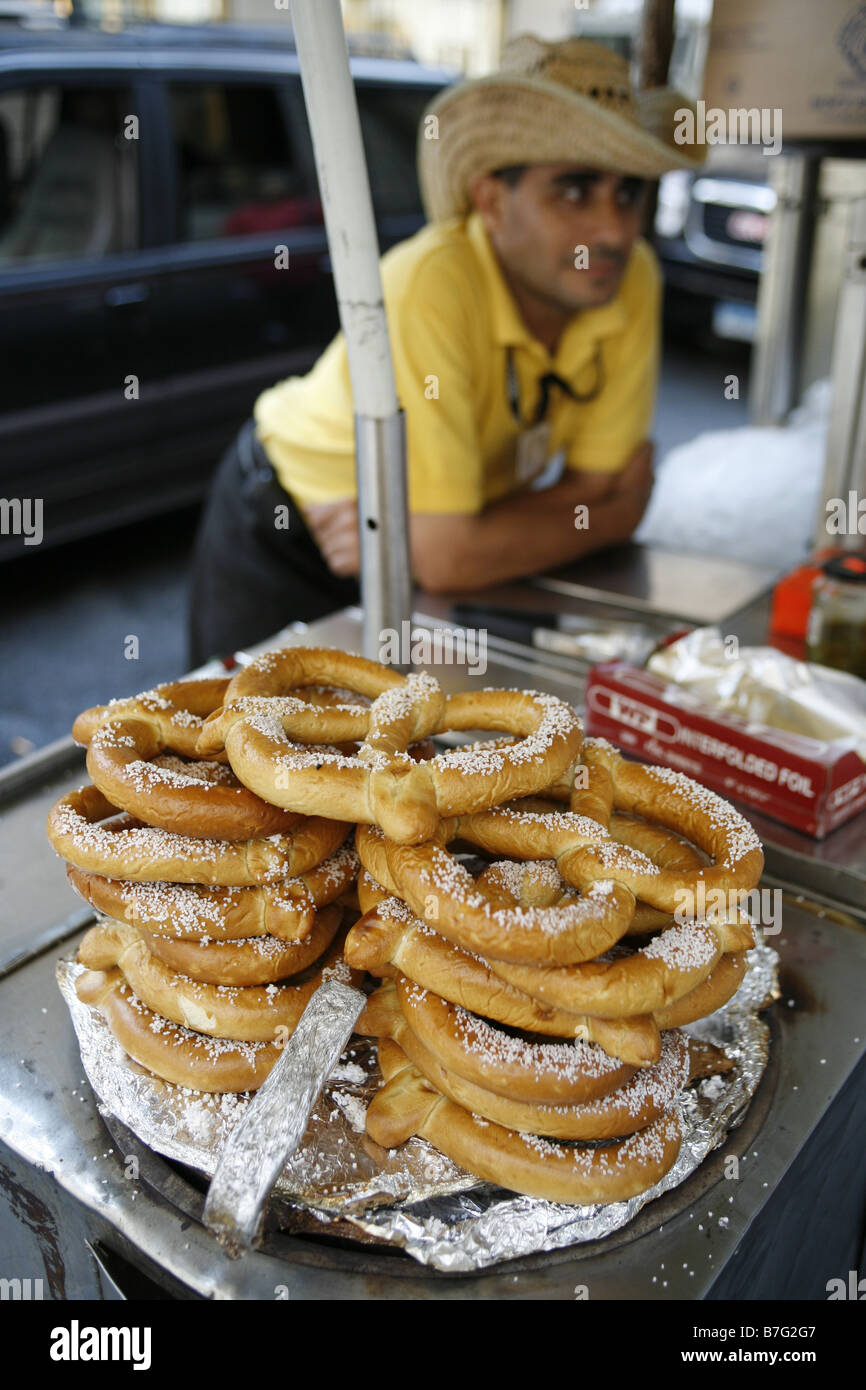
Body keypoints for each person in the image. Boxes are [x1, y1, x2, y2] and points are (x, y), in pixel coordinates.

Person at [188, 35, 702, 666]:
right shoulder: (430, 282)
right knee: (237, 738)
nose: (614, 229)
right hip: (290, 526)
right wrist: (616, 513)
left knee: (401, 745)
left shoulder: (632, 275)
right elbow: (462, 550)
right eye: (574, 191)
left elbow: (543, 509)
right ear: (490, 201)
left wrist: (452, 535)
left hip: (417, 539)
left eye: (629, 193)